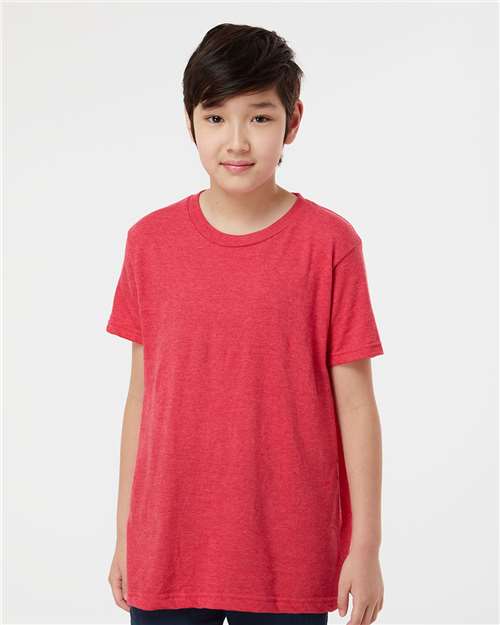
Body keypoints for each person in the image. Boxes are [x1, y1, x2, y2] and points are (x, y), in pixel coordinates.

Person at [106, 22, 385, 625]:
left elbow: (356, 404)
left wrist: (365, 546)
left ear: (293, 121)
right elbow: (141, 397)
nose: (236, 141)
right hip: (168, 546)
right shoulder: (149, 243)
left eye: (259, 117)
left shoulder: (329, 245)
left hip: (288, 551)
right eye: (215, 118)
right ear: (190, 123)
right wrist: (126, 534)